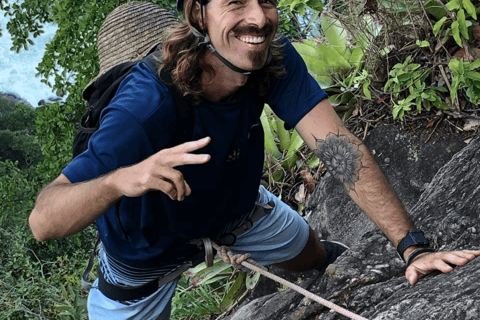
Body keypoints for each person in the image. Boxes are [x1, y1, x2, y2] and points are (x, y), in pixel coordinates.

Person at [28, 0, 480, 319]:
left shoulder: (270, 62)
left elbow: (340, 152)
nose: (259, 17)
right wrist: (118, 180)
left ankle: (331, 268)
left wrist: (413, 248)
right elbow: (43, 220)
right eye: (236, 2)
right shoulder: (144, 108)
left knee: (313, 254)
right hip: (143, 258)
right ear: (198, 14)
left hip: (237, 210)